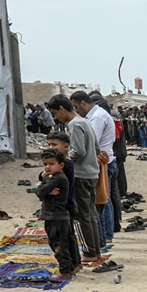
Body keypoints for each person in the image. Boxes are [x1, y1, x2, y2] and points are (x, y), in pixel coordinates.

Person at [47, 95, 101, 262]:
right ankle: (95, 250)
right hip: (91, 174)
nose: (56, 117)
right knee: (90, 214)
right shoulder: (85, 121)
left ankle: (89, 252)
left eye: (55, 113)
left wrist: (61, 159)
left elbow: (78, 151)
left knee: (81, 216)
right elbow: (96, 149)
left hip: (80, 175)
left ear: (62, 109)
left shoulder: (74, 124)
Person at [71, 91, 117, 250]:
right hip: (104, 159)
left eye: (76, 107)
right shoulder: (96, 115)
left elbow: (91, 142)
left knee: (101, 201)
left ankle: (103, 238)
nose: (76, 111)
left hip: (102, 161)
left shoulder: (97, 117)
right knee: (103, 200)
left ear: (83, 103)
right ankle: (105, 236)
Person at [45, 131, 82, 272]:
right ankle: (75, 264)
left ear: (66, 146)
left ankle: (67, 268)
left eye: (54, 145)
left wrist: (45, 185)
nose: (50, 147)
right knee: (69, 236)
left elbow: (43, 188)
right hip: (68, 204)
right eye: (49, 144)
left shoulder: (63, 166)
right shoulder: (66, 163)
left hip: (61, 207)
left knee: (60, 240)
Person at [36, 148, 75, 280]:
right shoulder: (53, 177)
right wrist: (46, 190)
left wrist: (44, 189)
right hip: (56, 216)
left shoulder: (57, 178)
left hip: (56, 217)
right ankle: (69, 267)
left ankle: (64, 271)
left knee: (58, 245)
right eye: (45, 164)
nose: (47, 167)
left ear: (61, 165)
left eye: (51, 164)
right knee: (60, 244)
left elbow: (40, 192)